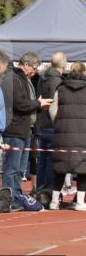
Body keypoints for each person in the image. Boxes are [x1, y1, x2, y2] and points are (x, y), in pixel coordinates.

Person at [0, 53, 51, 212]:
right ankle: (10, 198)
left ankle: (17, 196)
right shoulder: (13, 79)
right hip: (15, 129)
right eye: (34, 68)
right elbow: (20, 104)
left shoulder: (23, 80)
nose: (34, 72)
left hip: (24, 129)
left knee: (20, 169)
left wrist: (38, 106)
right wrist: (37, 103)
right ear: (26, 64)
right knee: (12, 167)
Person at [48, 61, 86, 211]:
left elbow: (52, 111)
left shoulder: (61, 88)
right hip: (83, 134)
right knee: (83, 169)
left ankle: (54, 201)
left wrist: (59, 124)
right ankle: (80, 202)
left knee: (60, 168)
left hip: (63, 133)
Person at [35, 52, 67, 192]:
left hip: (42, 123)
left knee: (43, 159)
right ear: (63, 64)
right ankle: (47, 190)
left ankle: (41, 188)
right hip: (52, 124)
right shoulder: (56, 81)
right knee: (51, 160)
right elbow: (57, 105)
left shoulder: (43, 78)